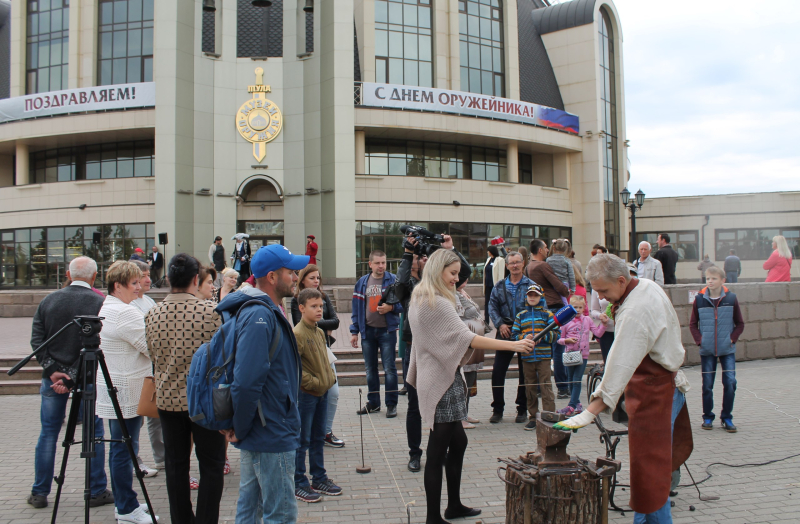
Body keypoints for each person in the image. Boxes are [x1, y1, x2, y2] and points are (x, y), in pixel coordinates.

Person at [555, 254, 693, 524]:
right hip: (659, 387)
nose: (603, 299)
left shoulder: (634, 311)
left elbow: (619, 364)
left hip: (657, 392)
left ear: (621, 280)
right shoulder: (645, 285)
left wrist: (589, 411)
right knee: (648, 470)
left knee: (650, 472)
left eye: (605, 291)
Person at [406, 248, 536, 524]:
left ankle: (453, 505)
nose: (456, 279)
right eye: (452, 273)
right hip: (441, 382)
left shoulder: (422, 297)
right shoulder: (436, 302)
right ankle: (433, 517)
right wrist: (513, 344)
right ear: (437, 270)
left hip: (441, 377)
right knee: (437, 449)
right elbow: (469, 338)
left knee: (459, 441)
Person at [216, 243, 309, 524]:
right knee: (279, 514)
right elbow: (246, 381)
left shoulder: (263, 310)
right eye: (291, 271)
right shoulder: (260, 315)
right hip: (269, 430)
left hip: (263, 426)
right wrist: (241, 428)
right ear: (272, 277)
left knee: (251, 507)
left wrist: (242, 429)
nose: (296, 276)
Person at [144, 254, 225, 524]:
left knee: (175, 465)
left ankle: (181, 519)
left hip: (167, 399)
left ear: (168, 279)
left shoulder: (152, 313)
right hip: (203, 401)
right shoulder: (211, 312)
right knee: (211, 465)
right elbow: (221, 359)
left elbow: (153, 356)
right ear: (195, 279)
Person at [27, 256, 113, 510]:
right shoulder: (101, 302)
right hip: (88, 377)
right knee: (94, 433)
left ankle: (40, 492)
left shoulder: (48, 300)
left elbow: (37, 339)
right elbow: (103, 343)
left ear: (67, 274)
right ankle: (96, 490)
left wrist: (54, 370)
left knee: (48, 434)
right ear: (95, 276)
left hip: (53, 379)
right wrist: (76, 374)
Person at [96, 261, 160, 524]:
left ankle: (127, 502)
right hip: (126, 391)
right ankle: (126, 508)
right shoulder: (124, 312)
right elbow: (152, 346)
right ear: (117, 286)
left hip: (117, 388)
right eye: (133, 283)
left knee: (123, 448)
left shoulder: (111, 307)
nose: (138, 288)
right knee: (125, 449)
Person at [292, 288, 341, 503]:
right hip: (306, 396)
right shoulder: (298, 334)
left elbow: (325, 361)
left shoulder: (319, 331)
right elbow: (295, 369)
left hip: (321, 393)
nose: (319, 310)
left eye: (321, 306)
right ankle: (299, 481)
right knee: (302, 439)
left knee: (318, 437)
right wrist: (313, 383)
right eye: (314, 306)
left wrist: (328, 379)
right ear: (301, 308)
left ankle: (319, 477)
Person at [290, 264, 344, 448]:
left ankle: (325, 431)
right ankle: (312, 434)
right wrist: (323, 325)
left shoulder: (324, 296)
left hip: (325, 350)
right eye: (312, 278)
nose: (316, 281)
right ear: (303, 279)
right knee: (311, 398)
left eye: (318, 278)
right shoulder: (297, 299)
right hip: (309, 356)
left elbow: (336, 322)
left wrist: (319, 324)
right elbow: (302, 324)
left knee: (333, 392)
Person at [690, 266, 744, 433]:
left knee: (730, 382)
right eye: (707, 279)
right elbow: (693, 324)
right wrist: (700, 340)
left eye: (713, 278)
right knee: (707, 385)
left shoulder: (731, 298)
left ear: (723, 280)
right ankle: (707, 417)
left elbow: (740, 324)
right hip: (707, 351)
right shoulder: (699, 300)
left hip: (727, 349)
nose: (710, 281)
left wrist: (732, 339)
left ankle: (727, 417)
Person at [349, 250, 402, 418]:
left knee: (389, 369)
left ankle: (391, 404)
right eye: (377, 263)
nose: (381, 266)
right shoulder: (362, 283)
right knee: (370, 370)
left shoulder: (393, 281)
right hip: (368, 332)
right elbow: (356, 309)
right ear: (370, 264)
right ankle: (373, 403)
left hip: (387, 331)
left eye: (384, 263)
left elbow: (404, 304)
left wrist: (391, 308)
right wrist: (354, 331)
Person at [487, 251, 534, 423]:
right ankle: (497, 408)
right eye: (511, 263)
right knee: (498, 371)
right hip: (504, 332)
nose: (514, 265)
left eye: (517, 262)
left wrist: (527, 328)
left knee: (525, 372)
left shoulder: (531, 285)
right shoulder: (499, 286)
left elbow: (538, 307)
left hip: (524, 333)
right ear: (506, 266)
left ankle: (522, 409)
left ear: (523, 263)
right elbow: (491, 307)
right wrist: (500, 324)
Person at [129, 260, 162, 478]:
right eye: (142, 275)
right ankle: (134, 461)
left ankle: (161, 458)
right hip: (137, 371)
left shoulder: (148, 300)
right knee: (134, 420)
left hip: (153, 367)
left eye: (149, 274)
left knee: (154, 416)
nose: (148, 279)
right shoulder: (129, 306)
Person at [526, 239, 570, 398]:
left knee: (541, 348)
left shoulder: (529, 266)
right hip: (553, 306)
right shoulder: (543, 265)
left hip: (539, 308)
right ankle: (563, 387)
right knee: (558, 348)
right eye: (545, 248)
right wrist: (566, 290)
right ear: (539, 250)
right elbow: (558, 284)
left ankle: (538, 387)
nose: (547, 250)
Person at [511, 283, 557, 431]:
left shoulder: (547, 315)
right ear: (526, 297)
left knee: (546, 386)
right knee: (530, 388)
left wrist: (542, 337)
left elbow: (556, 334)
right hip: (527, 358)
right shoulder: (520, 315)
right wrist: (524, 337)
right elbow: (514, 336)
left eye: (535, 295)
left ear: (540, 297)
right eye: (530, 295)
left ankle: (549, 416)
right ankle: (533, 417)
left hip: (543, 357)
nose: (532, 297)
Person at [556, 295, 606, 416]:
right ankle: (577, 404)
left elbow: (598, 333)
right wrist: (567, 341)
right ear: (569, 308)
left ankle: (571, 405)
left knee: (576, 380)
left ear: (584, 308)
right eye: (574, 307)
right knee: (570, 380)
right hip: (569, 355)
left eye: (580, 307)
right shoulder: (566, 321)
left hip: (582, 355)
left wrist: (604, 324)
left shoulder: (587, 320)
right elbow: (559, 339)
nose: (577, 310)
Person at [455, 281, 485, 430]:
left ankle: (465, 413)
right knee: (464, 380)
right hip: (464, 343)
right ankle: (460, 417)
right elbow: (468, 313)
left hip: (474, 343)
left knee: (470, 378)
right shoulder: (453, 295)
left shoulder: (462, 293)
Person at [590, 287, 615, 363]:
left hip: (623, 329)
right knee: (608, 362)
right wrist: (600, 315)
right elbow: (594, 310)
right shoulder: (596, 286)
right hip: (606, 331)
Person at [482, 245, 502, 330]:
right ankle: (486, 321)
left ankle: (498, 321)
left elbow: (500, 274)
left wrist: (499, 287)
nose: (487, 252)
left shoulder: (500, 260)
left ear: (491, 251)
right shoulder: (488, 260)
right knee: (487, 304)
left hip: (495, 286)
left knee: (496, 304)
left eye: (488, 251)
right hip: (487, 285)